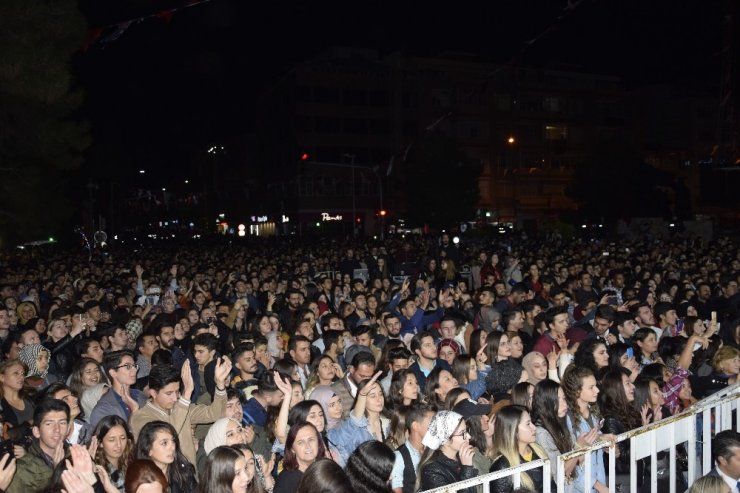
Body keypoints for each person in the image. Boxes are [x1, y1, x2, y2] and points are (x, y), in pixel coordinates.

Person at [131, 358, 232, 464]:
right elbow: (170, 431)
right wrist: (186, 394)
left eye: (177, 391)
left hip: (191, 475)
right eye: (169, 393)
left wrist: (220, 385)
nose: (175, 398)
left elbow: (215, 414)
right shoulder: (140, 418)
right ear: (153, 393)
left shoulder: (180, 407)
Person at [562, 365, 612, 493]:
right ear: (577, 391)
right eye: (591, 387)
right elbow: (573, 461)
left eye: (595, 385)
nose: (597, 390)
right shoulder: (568, 419)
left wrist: (603, 440)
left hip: (598, 481)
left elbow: (593, 442)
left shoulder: (593, 412)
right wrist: (597, 485)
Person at [7, 398, 70, 493]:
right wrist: (56, 474)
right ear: (36, 431)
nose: (57, 429)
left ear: (68, 429)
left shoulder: (76, 457)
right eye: (49, 424)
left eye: (62, 423)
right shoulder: (22, 470)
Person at [489, 404, 549, 493]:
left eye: (532, 422)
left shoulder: (538, 450)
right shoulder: (502, 466)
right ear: (513, 430)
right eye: (528, 424)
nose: (534, 428)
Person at [417, 410, 478, 493]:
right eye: (462, 433)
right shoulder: (432, 471)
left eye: (466, 431)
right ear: (445, 440)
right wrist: (467, 469)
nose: (468, 436)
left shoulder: (461, 458)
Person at [90, 350, 147, 429]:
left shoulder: (140, 395)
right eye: (128, 366)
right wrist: (134, 410)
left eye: (134, 366)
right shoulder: (103, 409)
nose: (134, 370)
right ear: (113, 373)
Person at [135, 421, 196, 493]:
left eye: (173, 441)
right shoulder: (140, 481)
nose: (172, 447)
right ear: (149, 450)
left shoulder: (184, 472)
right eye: (164, 443)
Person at [390, 404, 434, 493]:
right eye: (432, 423)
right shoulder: (399, 457)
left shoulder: (434, 449)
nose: (436, 428)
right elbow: (396, 489)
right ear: (415, 426)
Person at [274, 422, 325, 493]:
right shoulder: (286, 481)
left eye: (311, 440)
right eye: (301, 442)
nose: (308, 446)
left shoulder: (325, 469)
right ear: (292, 449)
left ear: (318, 443)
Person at [92, 415, 135, 493]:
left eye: (123, 438)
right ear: (100, 443)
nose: (119, 445)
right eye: (112, 440)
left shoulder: (132, 462)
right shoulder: (96, 471)